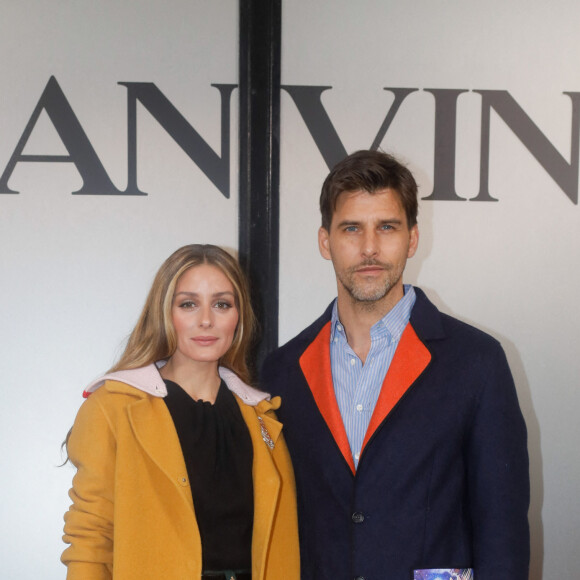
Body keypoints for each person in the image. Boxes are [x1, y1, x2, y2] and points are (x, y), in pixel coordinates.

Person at [261, 151, 529, 580]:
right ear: (325, 241)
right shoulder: (281, 372)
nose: (370, 247)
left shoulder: (476, 362)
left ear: (413, 238)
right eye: (352, 228)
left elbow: (503, 533)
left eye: (387, 227)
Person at [62, 244, 299, 580]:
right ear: (164, 313)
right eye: (188, 304)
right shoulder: (113, 407)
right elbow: (90, 538)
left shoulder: (262, 415)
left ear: (239, 316)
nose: (206, 320)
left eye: (221, 304)